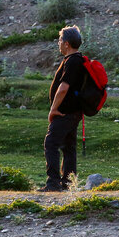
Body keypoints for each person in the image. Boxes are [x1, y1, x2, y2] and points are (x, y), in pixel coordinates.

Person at [41, 25, 86, 192]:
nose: (58, 43)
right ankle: (68, 184)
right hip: (74, 112)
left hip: (64, 112)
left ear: (66, 44)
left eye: (60, 40)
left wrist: (53, 109)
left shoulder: (73, 61)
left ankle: (53, 183)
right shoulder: (77, 60)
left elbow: (63, 88)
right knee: (69, 147)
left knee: (51, 143)